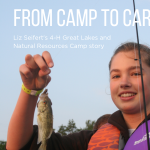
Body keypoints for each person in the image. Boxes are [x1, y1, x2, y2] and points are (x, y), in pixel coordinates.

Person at [6, 42, 150, 150]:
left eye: (136, 73)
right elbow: (19, 146)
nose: (123, 83)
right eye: (116, 76)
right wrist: (30, 91)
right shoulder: (90, 141)